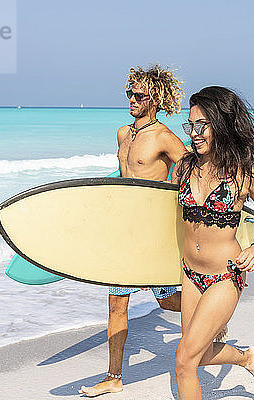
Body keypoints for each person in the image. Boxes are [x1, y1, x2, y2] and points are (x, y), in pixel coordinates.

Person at [80, 65, 187, 397]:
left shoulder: (165, 138)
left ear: (154, 97)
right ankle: (114, 376)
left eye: (138, 95)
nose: (132, 99)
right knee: (116, 304)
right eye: (129, 93)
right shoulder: (122, 134)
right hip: (123, 233)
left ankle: (212, 313)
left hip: (151, 236)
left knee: (169, 302)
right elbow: (121, 178)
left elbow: (188, 173)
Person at [172, 86, 254, 399]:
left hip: (225, 275)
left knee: (183, 360)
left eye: (201, 125)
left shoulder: (248, 176)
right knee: (197, 354)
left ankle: (244, 358)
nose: (194, 133)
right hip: (189, 274)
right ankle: (245, 357)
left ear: (221, 124)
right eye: (190, 125)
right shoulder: (184, 167)